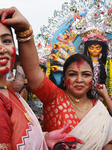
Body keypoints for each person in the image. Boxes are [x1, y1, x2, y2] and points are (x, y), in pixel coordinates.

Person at [2, 6, 112, 150]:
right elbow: (33, 71)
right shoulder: (54, 96)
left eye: (86, 75)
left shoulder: (98, 109)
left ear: (93, 78)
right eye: (72, 74)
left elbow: (107, 144)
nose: (79, 80)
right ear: (64, 77)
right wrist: (24, 32)